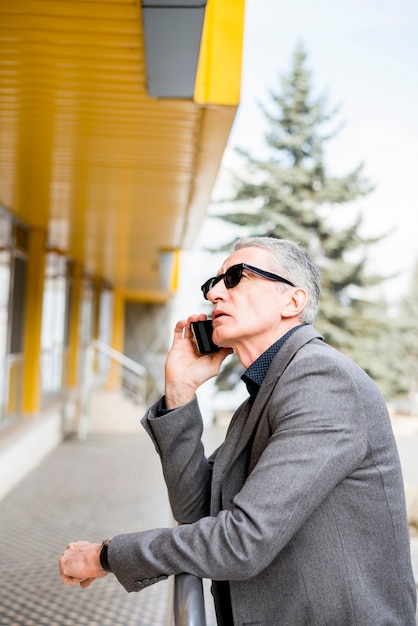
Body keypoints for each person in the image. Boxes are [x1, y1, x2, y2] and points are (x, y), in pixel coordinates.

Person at [59, 236, 417, 625]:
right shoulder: (265, 393)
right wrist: (179, 392)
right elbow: (197, 510)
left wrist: (106, 556)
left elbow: (242, 541)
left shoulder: (321, 380)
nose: (214, 293)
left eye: (235, 277)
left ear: (292, 302)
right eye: (211, 284)